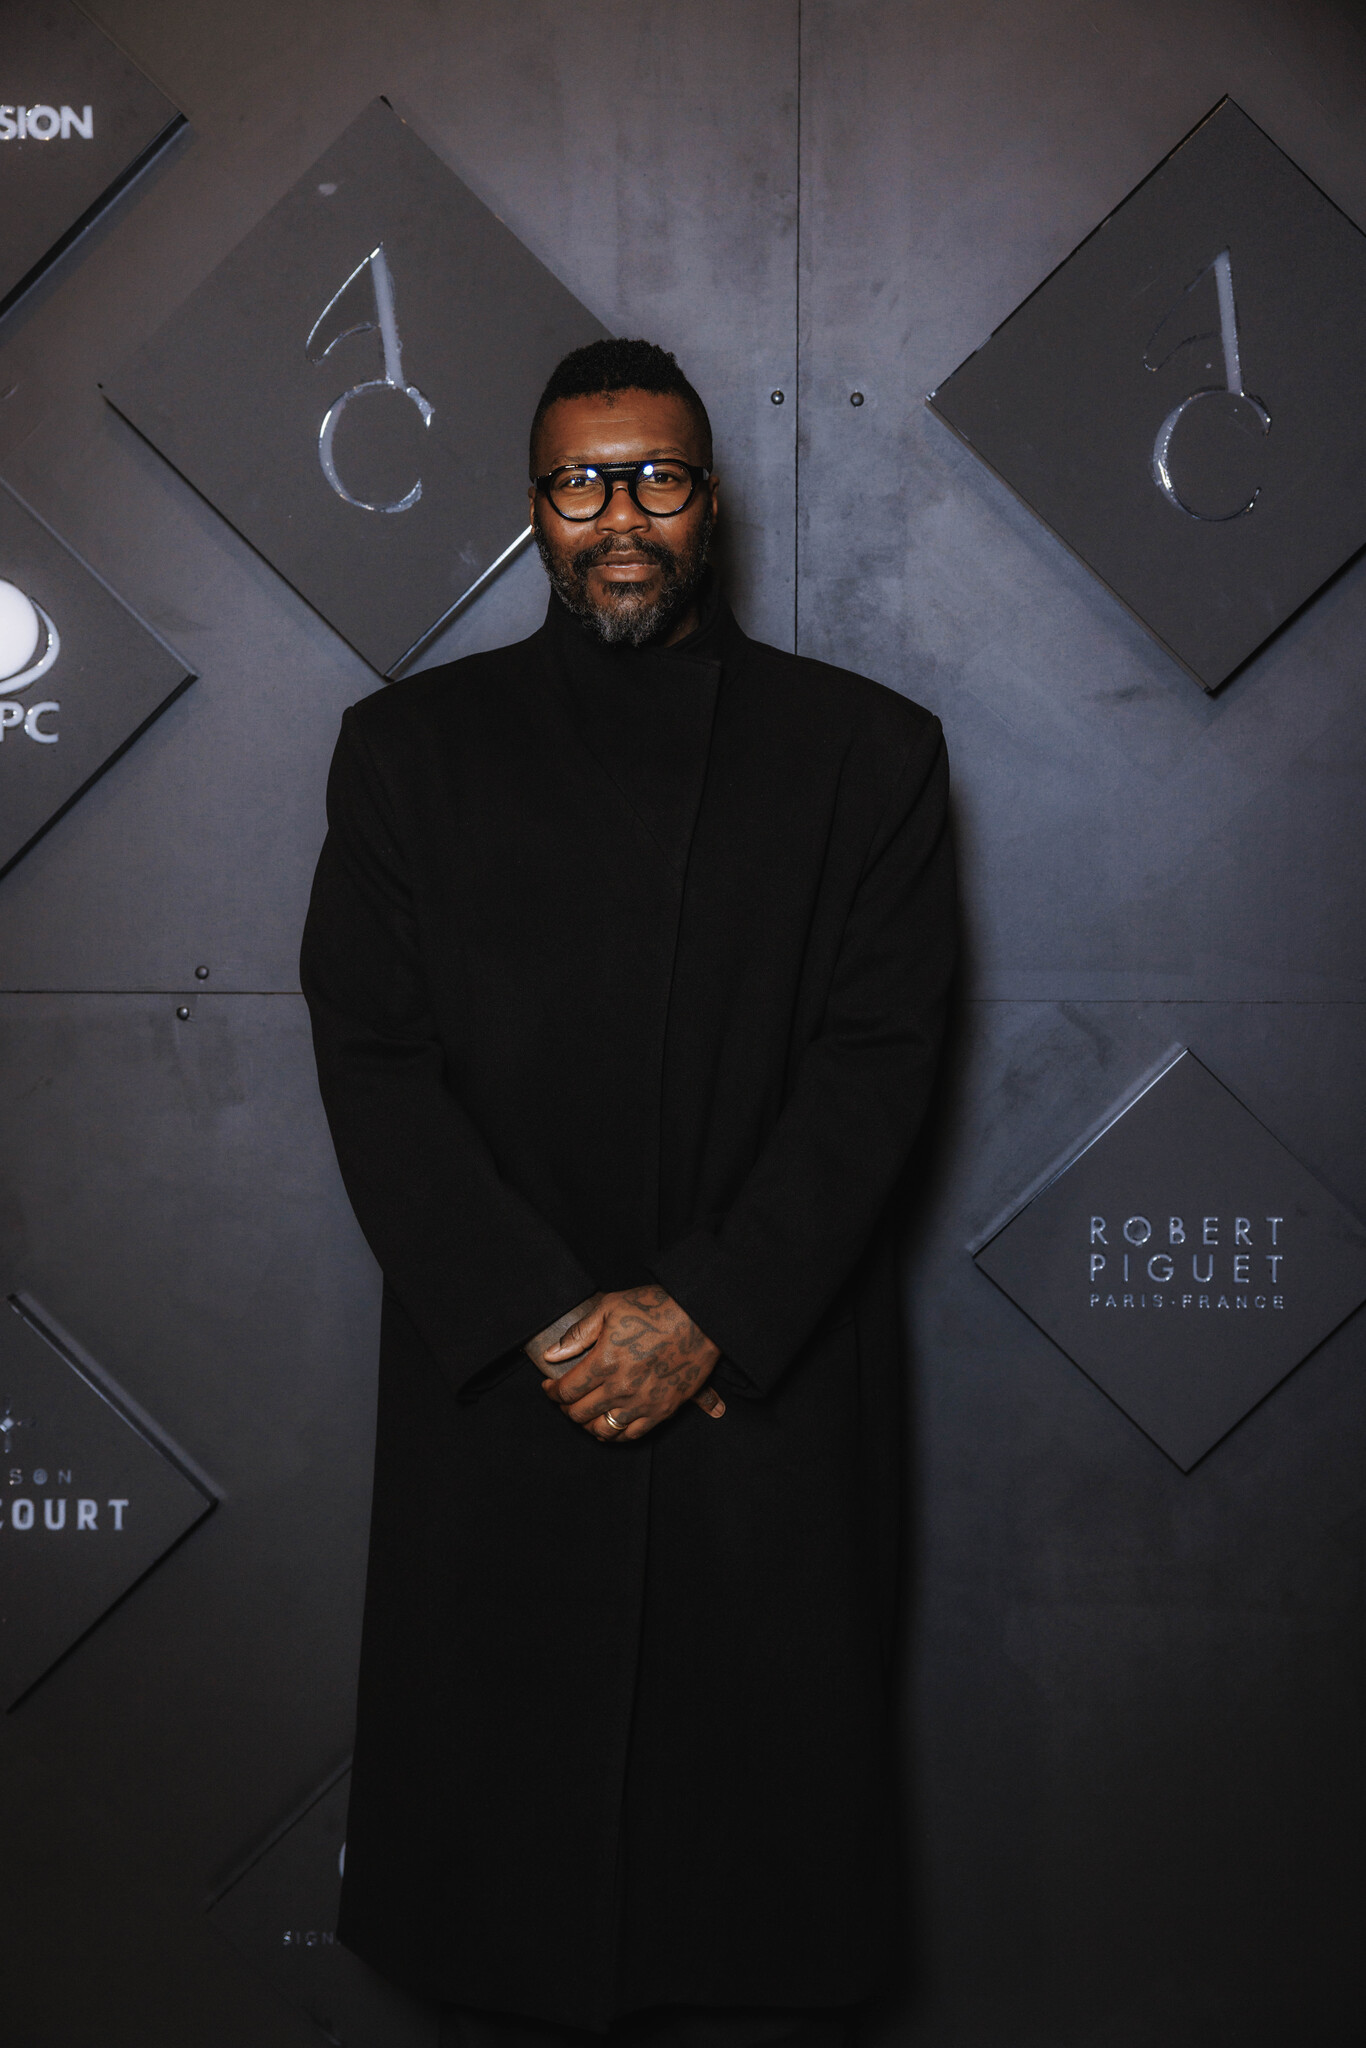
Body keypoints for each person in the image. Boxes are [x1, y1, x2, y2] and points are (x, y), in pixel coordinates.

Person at [300, 338, 956, 2048]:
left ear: (708, 502)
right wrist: (547, 1318)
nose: (620, 519)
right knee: (498, 1909)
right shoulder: (405, 753)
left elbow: (879, 1064)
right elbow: (373, 1059)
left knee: (755, 1909)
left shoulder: (865, 753)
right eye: (581, 485)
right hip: (508, 1402)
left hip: (757, 1403)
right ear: (533, 511)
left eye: (655, 479)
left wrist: (705, 1313)